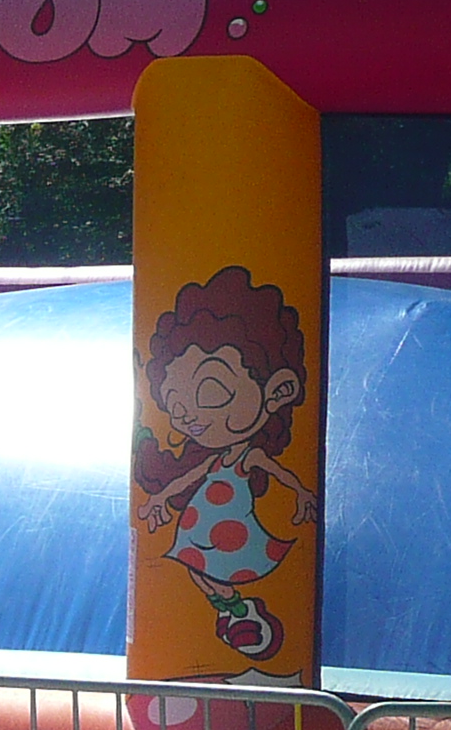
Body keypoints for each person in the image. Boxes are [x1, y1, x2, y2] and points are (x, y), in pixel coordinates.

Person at [135, 266, 318, 662]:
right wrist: (160, 499)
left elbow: (279, 473)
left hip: (231, 532)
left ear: (278, 392)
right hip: (203, 528)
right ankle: (231, 608)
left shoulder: (247, 456)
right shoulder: (215, 458)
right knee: (196, 569)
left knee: (209, 569)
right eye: (175, 404)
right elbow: (188, 476)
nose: (189, 416)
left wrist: (303, 494)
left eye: (212, 392)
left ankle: (237, 608)